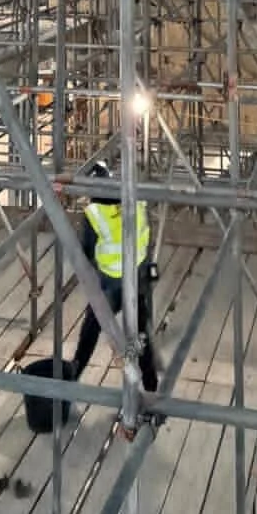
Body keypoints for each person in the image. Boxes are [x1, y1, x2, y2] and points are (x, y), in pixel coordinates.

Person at [71, 161, 159, 392]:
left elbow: (86, 251)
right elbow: (147, 231)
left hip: (111, 282)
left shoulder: (96, 214)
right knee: (140, 332)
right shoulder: (136, 201)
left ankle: (73, 375)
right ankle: (151, 387)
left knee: (91, 327)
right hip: (137, 274)